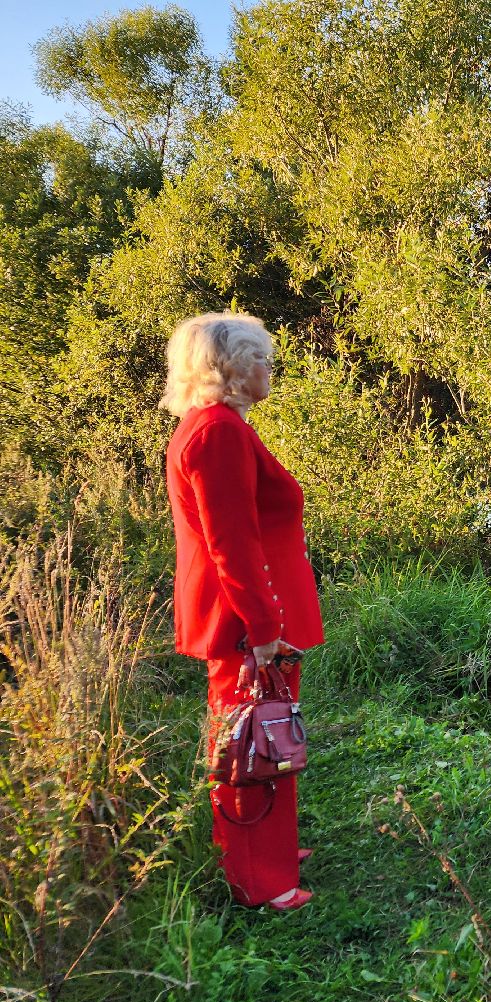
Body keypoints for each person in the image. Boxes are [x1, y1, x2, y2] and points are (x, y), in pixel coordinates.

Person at [161, 312, 325, 911]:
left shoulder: (216, 426)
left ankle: (268, 848)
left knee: (263, 734)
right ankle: (260, 881)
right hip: (247, 621)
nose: (269, 367)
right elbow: (230, 541)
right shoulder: (217, 433)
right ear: (225, 367)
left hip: (252, 615)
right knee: (249, 743)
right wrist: (264, 628)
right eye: (259, 357)